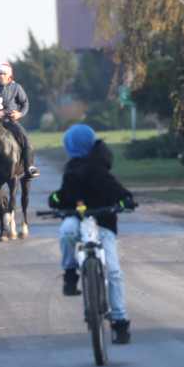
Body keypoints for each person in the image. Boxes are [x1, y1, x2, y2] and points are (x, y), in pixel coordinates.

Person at [48, 124, 136, 345]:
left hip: (102, 220)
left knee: (113, 271)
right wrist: (56, 199)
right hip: (77, 218)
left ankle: (119, 321)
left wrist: (124, 198)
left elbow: (110, 186)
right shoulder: (71, 167)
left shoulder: (96, 166)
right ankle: (70, 273)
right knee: (66, 232)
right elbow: (66, 194)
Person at [0, 63, 39, 183]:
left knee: (26, 140)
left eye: (4, 74)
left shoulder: (16, 87)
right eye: (0, 74)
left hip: (10, 121)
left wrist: (20, 113)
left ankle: (29, 167)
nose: (2, 76)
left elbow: (25, 103)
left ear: (9, 75)